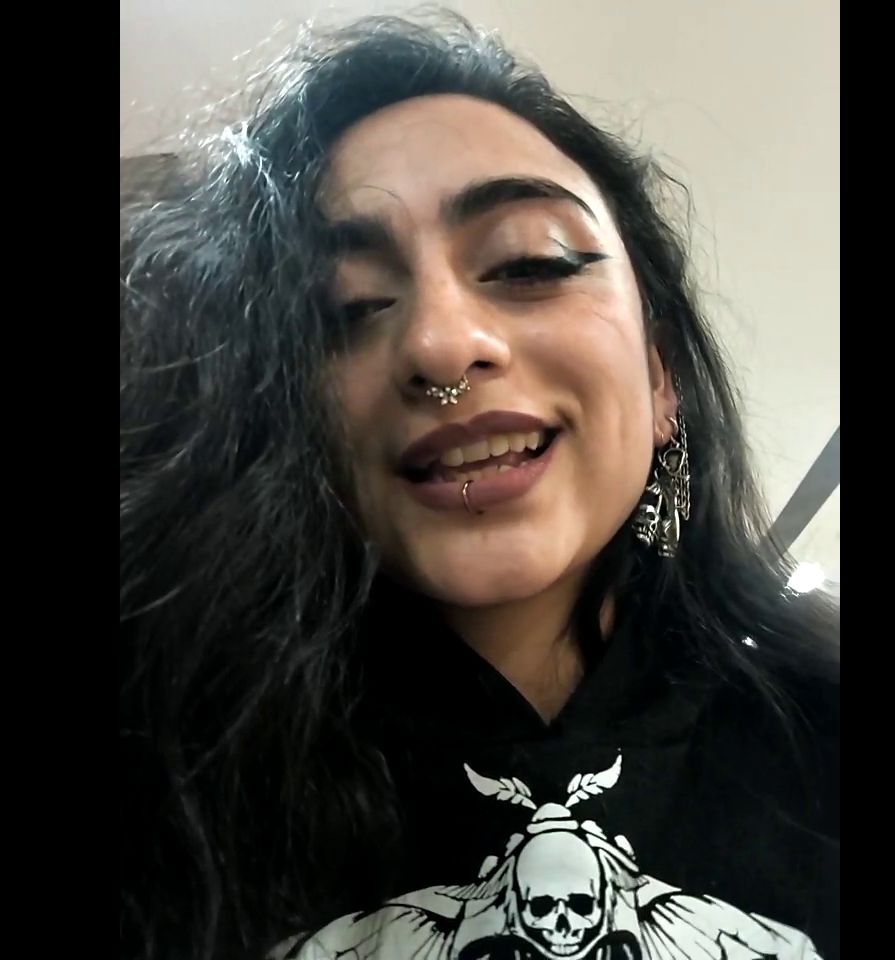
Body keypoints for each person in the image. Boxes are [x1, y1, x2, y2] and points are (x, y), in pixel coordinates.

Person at [120, 13, 840, 960]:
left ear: (661, 375)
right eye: (345, 309)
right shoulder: (163, 790)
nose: (441, 344)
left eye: (531, 263)